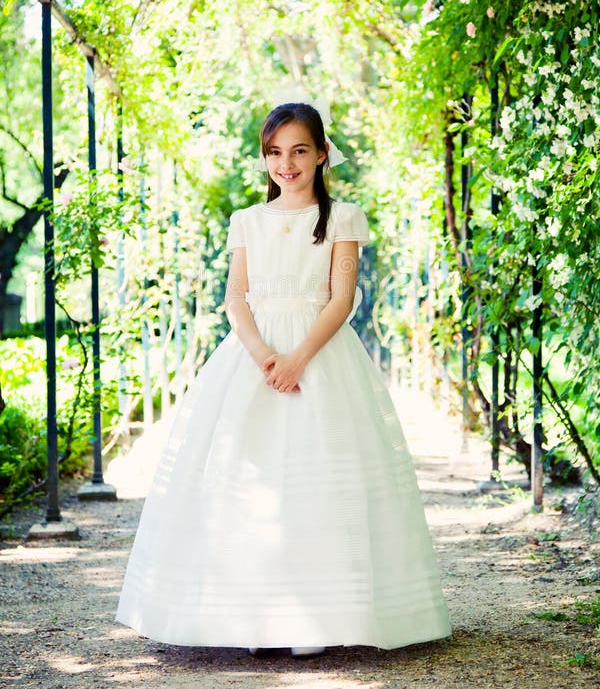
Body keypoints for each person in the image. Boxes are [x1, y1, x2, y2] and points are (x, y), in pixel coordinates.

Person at [115, 96, 452, 658]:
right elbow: (235, 298)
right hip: (253, 357)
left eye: (298, 151)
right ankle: (254, 617)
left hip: (321, 353)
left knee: (320, 479)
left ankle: (316, 619)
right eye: (274, 152)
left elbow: (341, 298)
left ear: (321, 154)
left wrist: (298, 358)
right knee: (249, 478)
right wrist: (265, 356)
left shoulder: (342, 218)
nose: (286, 164)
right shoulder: (247, 221)